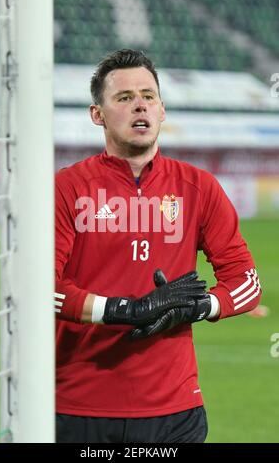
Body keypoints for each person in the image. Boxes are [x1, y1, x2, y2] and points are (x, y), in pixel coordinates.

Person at [55, 49, 261, 443]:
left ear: (163, 110)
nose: (139, 106)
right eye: (124, 97)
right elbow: (40, 288)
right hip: (79, 406)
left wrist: (200, 306)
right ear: (97, 115)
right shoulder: (67, 189)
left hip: (175, 411)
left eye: (148, 96)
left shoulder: (198, 188)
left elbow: (246, 282)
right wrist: (123, 311)